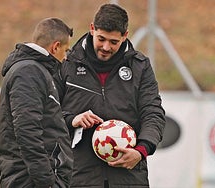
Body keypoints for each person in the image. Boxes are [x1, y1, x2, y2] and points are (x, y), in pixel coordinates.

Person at [60, 4, 166, 188]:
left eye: (114, 42)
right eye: (101, 39)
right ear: (92, 28)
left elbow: (153, 113)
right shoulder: (67, 63)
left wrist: (141, 151)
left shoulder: (140, 67)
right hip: (79, 176)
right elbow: (50, 112)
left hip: (130, 176)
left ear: (125, 35)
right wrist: (72, 119)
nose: (106, 47)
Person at [0, 18, 73, 188]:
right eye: (65, 50)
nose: (66, 57)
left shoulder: (35, 70)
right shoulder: (29, 72)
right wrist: (47, 181)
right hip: (30, 181)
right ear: (55, 46)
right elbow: (27, 130)